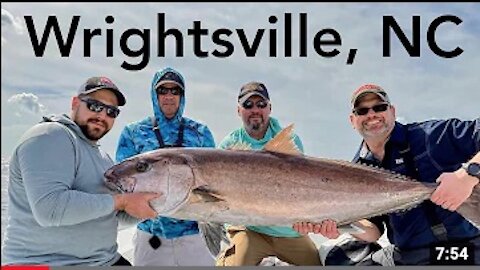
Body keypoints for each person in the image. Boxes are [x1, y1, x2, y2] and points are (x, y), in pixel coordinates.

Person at [294, 83, 480, 265]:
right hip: (406, 255)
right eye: (362, 111)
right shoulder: (356, 169)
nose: (372, 114)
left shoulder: (430, 136)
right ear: (352, 120)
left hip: (461, 249)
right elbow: (373, 232)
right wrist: (339, 223)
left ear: (392, 111)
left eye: (379, 107)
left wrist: (468, 175)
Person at [1, 76, 160, 266]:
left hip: (103, 260)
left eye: (111, 111)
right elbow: (49, 209)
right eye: (94, 105)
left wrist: (155, 204)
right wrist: (122, 201)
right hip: (47, 264)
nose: (102, 115)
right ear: (75, 103)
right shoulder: (50, 135)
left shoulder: (102, 157)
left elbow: (112, 213)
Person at [115, 67, 216, 266]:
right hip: (151, 237)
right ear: (154, 94)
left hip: (193, 236)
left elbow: (212, 183)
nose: (169, 96)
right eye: (163, 90)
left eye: (175, 91)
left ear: (182, 95)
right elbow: (122, 183)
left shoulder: (200, 133)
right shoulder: (133, 132)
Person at [215, 81, 321, 266]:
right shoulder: (229, 146)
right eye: (248, 105)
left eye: (261, 104)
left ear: (269, 108)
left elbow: (299, 190)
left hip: (288, 231)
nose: (255, 109)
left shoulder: (289, 139)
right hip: (250, 230)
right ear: (238, 111)